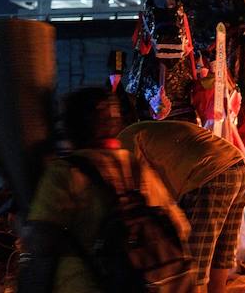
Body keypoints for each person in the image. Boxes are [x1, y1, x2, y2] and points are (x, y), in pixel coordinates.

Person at [20, 87, 189, 293]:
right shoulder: (136, 168)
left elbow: (41, 241)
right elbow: (180, 226)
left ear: (71, 126)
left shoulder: (63, 172)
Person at [118, 118, 245, 293]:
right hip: (239, 169)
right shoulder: (140, 132)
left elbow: (143, 192)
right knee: (221, 252)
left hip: (210, 174)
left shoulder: (123, 145)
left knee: (196, 261)